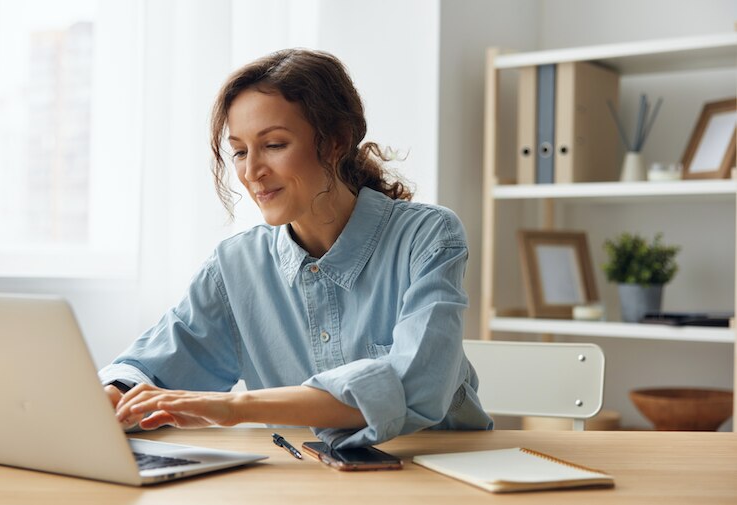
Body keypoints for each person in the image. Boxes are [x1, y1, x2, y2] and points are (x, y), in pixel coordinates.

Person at [99, 48, 493, 448]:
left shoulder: (428, 237)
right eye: (239, 151)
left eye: (273, 144)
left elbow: (416, 384)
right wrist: (110, 398)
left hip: (441, 473)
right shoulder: (236, 265)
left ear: (336, 141)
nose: (251, 172)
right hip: (307, 480)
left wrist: (237, 408)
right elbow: (154, 366)